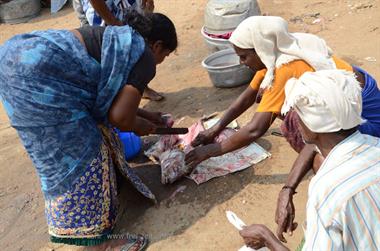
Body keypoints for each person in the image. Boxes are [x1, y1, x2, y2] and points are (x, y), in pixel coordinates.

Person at [0, 11, 177, 251]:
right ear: (157, 46)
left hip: (15, 59)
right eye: (165, 55)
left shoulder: (118, 39)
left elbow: (110, 94)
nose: (161, 60)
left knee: (54, 158)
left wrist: (147, 115)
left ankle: (98, 207)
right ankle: (100, 245)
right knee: (84, 157)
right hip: (41, 79)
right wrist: (141, 127)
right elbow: (120, 117)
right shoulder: (144, 56)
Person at [185, 16, 380, 175]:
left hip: (365, 118)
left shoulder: (284, 67)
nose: (242, 62)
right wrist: (216, 129)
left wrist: (211, 151)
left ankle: (328, 163)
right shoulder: (277, 50)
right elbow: (247, 97)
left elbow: (255, 129)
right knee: (280, 105)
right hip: (353, 96)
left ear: (260, 50)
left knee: (292, 120)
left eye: (244, 56)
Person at [239, 70, 380, 250]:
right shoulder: (376, 145)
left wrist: (267, 238)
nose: (296, 121)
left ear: (313, 129)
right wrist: (287, 190)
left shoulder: (326, 189)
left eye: (298, 116)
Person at [77, 0, 163, 101]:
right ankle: (117, 100)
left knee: (137, 37)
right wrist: (113, 21)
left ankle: (140, 88)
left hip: (126, 3)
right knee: (110, 49)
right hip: (102, 8)